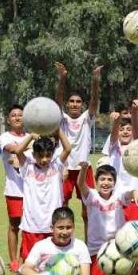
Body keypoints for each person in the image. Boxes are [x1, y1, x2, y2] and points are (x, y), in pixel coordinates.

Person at [19, 207, 105, 275]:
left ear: (73, 227)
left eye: (68, 227)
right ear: (52, 228)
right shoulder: (41, 246)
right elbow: (24, 269)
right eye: (60, 228)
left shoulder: (80, 246)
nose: (65, 232)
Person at [13, 132, 72, 264]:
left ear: (52, 154)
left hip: (52, 224)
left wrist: (58, 131)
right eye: (40, 156)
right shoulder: (27, 167)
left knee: (53, 260)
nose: (44, 159)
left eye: (48, 155)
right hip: (32, 224)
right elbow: (18, 150)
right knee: (29, 259)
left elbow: (68, 148)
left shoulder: (56, 165)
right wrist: (31, 136)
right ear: (34, 155)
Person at [54, 62, 102, 204]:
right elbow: (58, 99)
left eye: (78, 102)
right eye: (72, 101)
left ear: (82, 105)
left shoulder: (86, 118)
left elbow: (94, 100)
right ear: (67, 104)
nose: (75, 104)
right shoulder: (62, 118)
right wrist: (62, 77)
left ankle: (88, 227)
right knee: (62, 204)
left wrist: (95, 80)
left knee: (88, 207)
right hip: (64, 166)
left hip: (83, 166)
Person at [81, 165, 128, 275]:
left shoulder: (119, 195)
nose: (106, 183)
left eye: (109, 179)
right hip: (95, 247)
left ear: (114, 182)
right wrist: (84, 170)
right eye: (102, 179)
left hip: (115, 246)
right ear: (96, 182)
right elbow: (81, 184)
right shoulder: (92, 195)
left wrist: (137, 192)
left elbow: (130, 193)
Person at [0, 105, 28, 271]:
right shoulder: (4, 137)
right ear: (9, 119)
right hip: (14, 189)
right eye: (14, 115)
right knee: (14, 225)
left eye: (20, 115)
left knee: (30, 226)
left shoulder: (32, 137)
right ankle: (14, 261)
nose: (17, 118)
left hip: (33, 190)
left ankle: (26, 259)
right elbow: (14, 149)